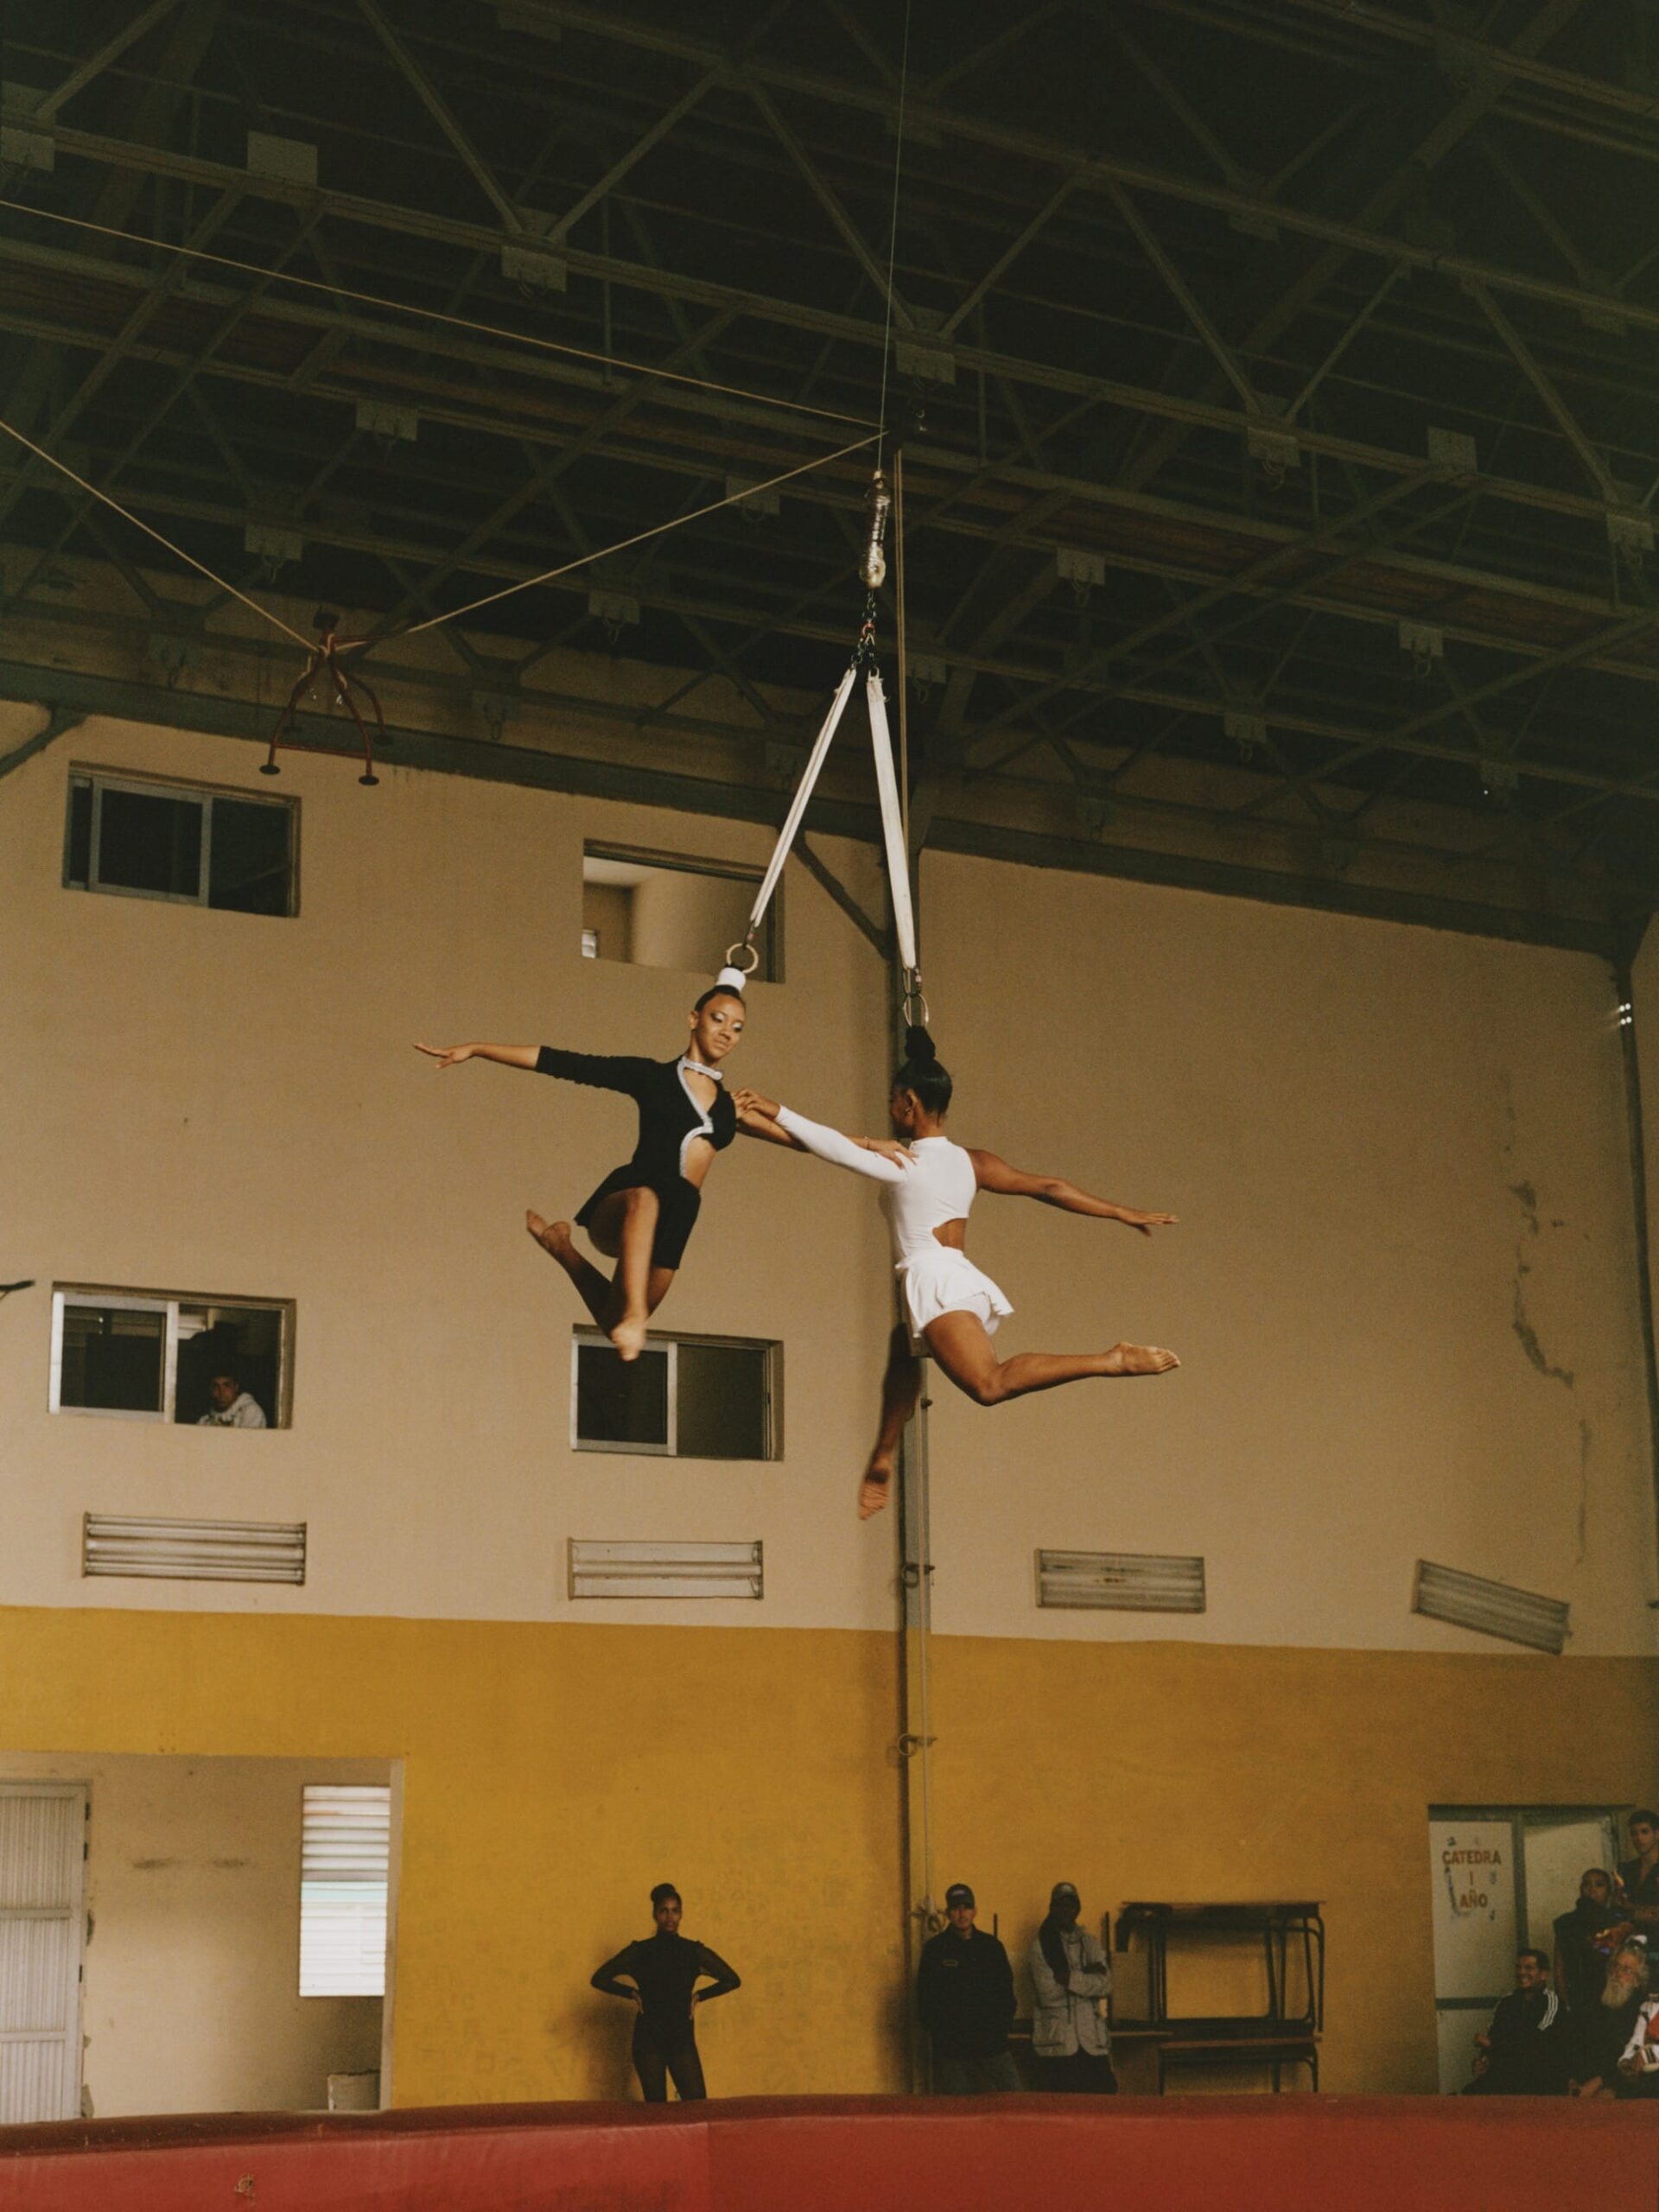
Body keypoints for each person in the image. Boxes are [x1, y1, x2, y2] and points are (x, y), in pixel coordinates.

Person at [735, 1027, 1178, 1516]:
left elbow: (822, 1144)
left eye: (891, 1101)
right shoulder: (974, 1161)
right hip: (959, 1277)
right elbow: (1049, 1186)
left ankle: (1110, 1360)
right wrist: (1120, 1212)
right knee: (904, 1349)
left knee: (989, 1386)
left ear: (909, 1104)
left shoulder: (902, 1161)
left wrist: (773, 1110)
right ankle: (883, 1453)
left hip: (933, 1281)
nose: (888, 1109)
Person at [416, 984, 785, 1360]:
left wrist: (784, 1113)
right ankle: (636, 1315)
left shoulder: (731, 1106)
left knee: (614, 1324)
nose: (727, 1032)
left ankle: (562, 1249)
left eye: (737, 1027)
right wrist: (477, 1049)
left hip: (680, 1215)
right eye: (718, 1019)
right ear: (694, 1019)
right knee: (646, 1203)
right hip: (626, 1207)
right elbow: (562, 1062)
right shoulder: (651, 1077)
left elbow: (809, 1140)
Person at [590, 1882, 741, 2102]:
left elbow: (732, 1980)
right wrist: (631, 1993)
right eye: (664, 1911)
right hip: (648, 2037)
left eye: (674, 1911)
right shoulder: (640, 1951)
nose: (669, 1917)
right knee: (656, 2112)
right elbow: (599, 1978)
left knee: (697, 2105)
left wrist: (700, 1996)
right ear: (655, 1914)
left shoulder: (692, 1952)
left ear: (681, 1915)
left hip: (681, 2036)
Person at [917, 1882, 1019, 2094]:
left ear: (975, 1911)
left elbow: (1006, 1995)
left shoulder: (991, 1947)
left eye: (966, 1907)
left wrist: (1000, 2030)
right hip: (952, 2049)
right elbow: (925, 1998)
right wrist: (941, 2035)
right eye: (956, 1908)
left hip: (991, 2045)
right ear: (948, 1913)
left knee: (1013, 2099)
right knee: (956, 2113)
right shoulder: (936, 1950)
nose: (962, 1914)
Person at [1027, 1882, 1116, 2094]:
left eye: (1071, 1905)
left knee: (1105, 2103)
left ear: (1078, 1908)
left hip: (1093, 2043)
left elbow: (1106, 1985)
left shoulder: (1090, 1943)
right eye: (1061, 1905)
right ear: (1052, 1908)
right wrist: (1088, 1976)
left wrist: (1069, 1979)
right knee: (1064, 2113)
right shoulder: (1040, 1945)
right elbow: (1048, 1994)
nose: (1066, 1910)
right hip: (1058, 2045)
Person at [1461, 1950, 1563, 2094]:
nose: (1521, 1972)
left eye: (1528, 1968)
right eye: (1518, 1967)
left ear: (1543, 1974)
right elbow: (1493, 2036)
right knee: (1470, 2094)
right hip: (1506, 2076)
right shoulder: (1506, 2002)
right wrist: (1484, 2061)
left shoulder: (1552, 2002)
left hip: (1538, 2079)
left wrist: (1492, 2046)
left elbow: (1534, 2045)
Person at [1568, 1942, 1649, 2097]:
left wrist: (1600, 2082)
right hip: (1587, 2076)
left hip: (1621, 2081)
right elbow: (1577, 2042)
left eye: (1627, 1970)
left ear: (1637, 1980)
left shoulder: (1643, 2008)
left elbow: (1631, 2057)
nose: (1618, 1973)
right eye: (1616, 1966)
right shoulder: (1593, 2002)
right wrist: (1573, 2078)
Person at [1554, 1868, 1620, 2017]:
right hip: (1577, 1995)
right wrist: (1564, 2001)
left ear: (1609, 1891)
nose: (1592, 1890)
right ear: (1581, 1889)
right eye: (1587, 1885)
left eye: (1599, 1885)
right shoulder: (1566, 1923)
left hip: (1609, 1996)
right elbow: (1559, 1966)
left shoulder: (1616, 1922)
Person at [1617, 1811, 1659, 1931]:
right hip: (1632, 1937)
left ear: (1656, 1834)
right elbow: (1618, 1907)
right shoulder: (1627, 1869)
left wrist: (1632, 1908)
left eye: (1644, 1832)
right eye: (1634, 1833)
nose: (1639, 1838)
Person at [195, 1369, 266, 1428]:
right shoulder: (205, 1420)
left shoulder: (250, 1411)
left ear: (236, 1387)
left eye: (226, 1386)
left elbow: (248, 1443)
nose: (221, 1393)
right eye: (216, 1387)